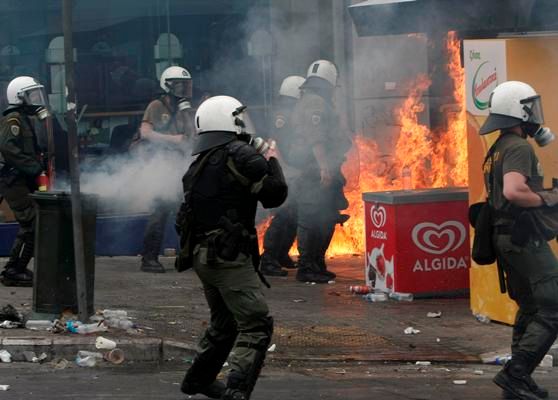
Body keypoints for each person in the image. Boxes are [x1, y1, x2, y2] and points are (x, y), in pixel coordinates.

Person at [177, 95, 287, 400]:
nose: (245, 125)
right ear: (228, 121)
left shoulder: (200, 162)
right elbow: (275, 194)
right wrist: (273, 157)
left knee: (224, 323)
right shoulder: (238, 153)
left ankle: (197, 380)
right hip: (228, 257)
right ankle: (236, 391)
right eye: (239, 119)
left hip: (205, 257)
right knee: (256, 324)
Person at [479, 80, 558, 400]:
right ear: (517, 111)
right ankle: (517, 372)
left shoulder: (496, 149)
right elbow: (513, 190)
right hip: (524, 239)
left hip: (506, 238)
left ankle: (517, 380)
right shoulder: (518, 147)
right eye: (529, 107)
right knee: (554, 306)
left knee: (528, 307)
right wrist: (546, 199)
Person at [289, 60, 350, 284]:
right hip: (314, 171)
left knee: (325, 217)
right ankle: (307, 267)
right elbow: (316, 137)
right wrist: (324, 166)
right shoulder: (315, 102)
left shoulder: (314, 100)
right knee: (311, 217)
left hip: (321, 168)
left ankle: (316, 263)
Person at [137, 65, 195, 273]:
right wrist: (173, 140)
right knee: (159, 213)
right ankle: (149, 258)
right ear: (168, 85)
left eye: (185, 84)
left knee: (187, 213)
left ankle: (189, 257)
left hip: (180, 167)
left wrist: (187, 114)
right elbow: (145, 133)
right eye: (179, 84)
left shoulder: (186, 108)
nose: (183, 88)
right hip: (160, 166)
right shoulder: (156, 105)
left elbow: (191, 136)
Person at [0, 76, 50, 287]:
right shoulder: (13, 120)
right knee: (31, 222)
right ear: (19, 97)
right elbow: (8, 148)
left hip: (21, 179)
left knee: (31, 223)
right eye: (32, 95)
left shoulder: (25, 119)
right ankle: (13, 270)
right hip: (13, 179)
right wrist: (33, 167)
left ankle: (17, 267)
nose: (37, 99)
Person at [260, 75, 305, 277]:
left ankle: (281, 254)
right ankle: (268, 258)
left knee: (293, 215)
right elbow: (280, 145)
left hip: (289, 170)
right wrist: (288, 169)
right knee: (284, 215)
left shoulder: (292, 112)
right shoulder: (283, 116)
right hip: (285, 171)